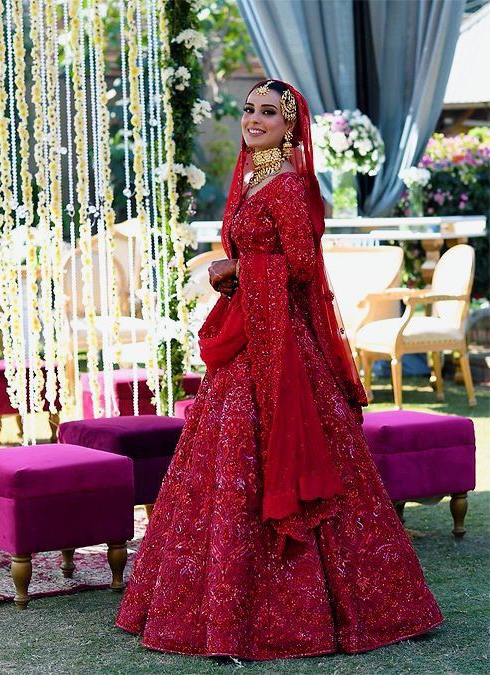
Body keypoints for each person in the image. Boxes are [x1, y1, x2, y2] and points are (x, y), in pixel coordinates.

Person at [116, 79, 443, 661]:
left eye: (269, 112)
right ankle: (218, 609)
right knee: (226, 463)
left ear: (291, 125)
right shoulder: (252, 181)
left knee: (286, 461)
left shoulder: (290, 186)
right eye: (249, 110)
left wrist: (236, 270)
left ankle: (332, 613)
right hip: (251, 340)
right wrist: (232, 270)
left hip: (284, 349)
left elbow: (299, 263)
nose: (254, 119)